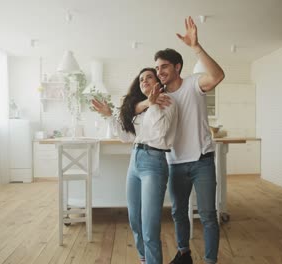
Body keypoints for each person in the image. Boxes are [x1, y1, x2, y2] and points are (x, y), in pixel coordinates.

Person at [135, 16, 225, 264]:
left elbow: (217, 76)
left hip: (202, 160)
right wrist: (146, 102)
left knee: (207, 215)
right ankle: (184, 253)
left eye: (164, 66)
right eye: (157, 68)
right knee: (178, 213)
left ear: (177, 67)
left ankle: (209, 261)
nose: (159, 72)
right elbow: (134, 109)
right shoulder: (159, 96)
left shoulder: (195, 84)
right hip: (174, 162)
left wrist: (196, 46)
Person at [91, 68, 178, 264]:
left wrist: (154, 104)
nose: (144, 81)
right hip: (135, 161)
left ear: (158, 82)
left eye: (149, 77)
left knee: (149, 226)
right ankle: (144, 259)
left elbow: (159, 133)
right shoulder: (140, 110)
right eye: (141, 79)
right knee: (135, 221)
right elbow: (125, 137)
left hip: (154, 162)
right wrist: (107, 116)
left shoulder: (167, 102)